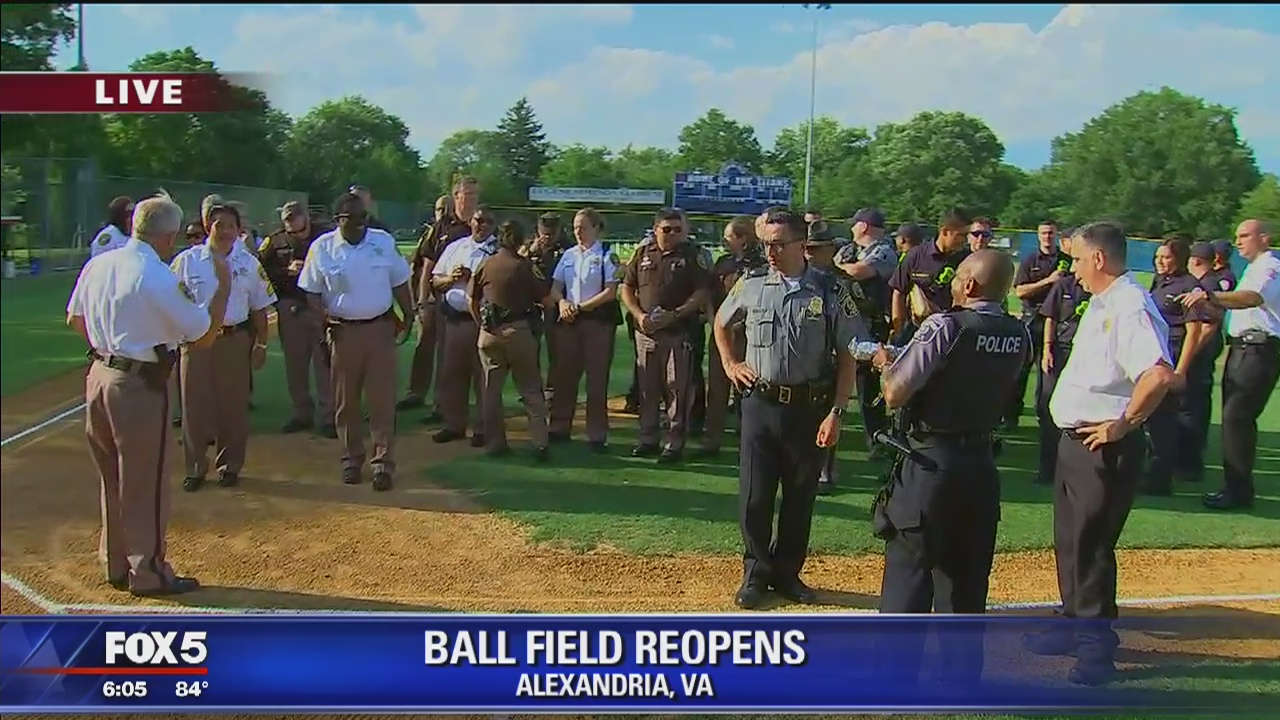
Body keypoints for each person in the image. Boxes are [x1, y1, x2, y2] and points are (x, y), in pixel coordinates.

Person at [1027, 221, 1177, 686]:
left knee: (1091, 547)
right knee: (1070, 540)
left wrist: (1124, 423)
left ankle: (1096, 647)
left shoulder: (1130, 305)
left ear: (1098, 258)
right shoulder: (1103, 301)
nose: (1071, 269)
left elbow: (1158, 374)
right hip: (1075, 443)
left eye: (1076, 259)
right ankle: (1072, 623)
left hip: (1102, 446)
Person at [868, 250, 1029, 682]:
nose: (952, 283)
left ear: (971, 285)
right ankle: (961, 678)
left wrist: (886, 363)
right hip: (980, 464)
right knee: (967, 575)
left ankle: (894, 677)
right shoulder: (1020, 333)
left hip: (931, 462)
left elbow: (895, 393)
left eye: (957, 278)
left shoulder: (944, 326)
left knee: (910, 569)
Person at [67, 193, 230, 596]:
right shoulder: (154, 274)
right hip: (138, 385)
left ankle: (115, 562)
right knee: (145, 480)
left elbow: (74, 318)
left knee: (112, 475)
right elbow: (202, 336)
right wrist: (223, 290)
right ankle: (149, 571)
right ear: (169, 236)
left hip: (99, 375)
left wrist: (109, 348)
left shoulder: (100, 262)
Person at [714, 208, 866, 609]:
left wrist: (838, 412)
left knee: (800, 498)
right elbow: (720, 322)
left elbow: (849, 353)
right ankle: (755, 574)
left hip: (809, 409)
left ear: (802, 245)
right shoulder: (752, 284)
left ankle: (787, 574)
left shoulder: (830, 290)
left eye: (779, 244)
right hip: (760, 404)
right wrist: (731, 363)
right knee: (755, 497)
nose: (771, 252)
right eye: (766, 244)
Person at [297, 192, 413, 490]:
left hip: (380, 329)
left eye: (364, 218)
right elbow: (310, 291)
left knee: (382, 400)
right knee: (345, 401)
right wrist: (322, 319)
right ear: (339, 220)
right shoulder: (322, 248)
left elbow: (400, 281)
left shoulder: (382, 242)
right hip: (343, 332)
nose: (361, 224)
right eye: (354, 219)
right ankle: (351, 459)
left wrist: (410, 315)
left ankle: (383, 463)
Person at [171, 202, 274, 491]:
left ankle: (229, 465)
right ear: (207, 227)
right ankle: (195, 467)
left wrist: (262, 343)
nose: (226, 231)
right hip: (196, 341)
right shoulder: (187, 261)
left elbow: (259, 308)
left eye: (231, 225)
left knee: (233, 406)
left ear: (239, 228)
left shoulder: (249, 264)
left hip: (234, 339)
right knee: (194, 406)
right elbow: (171, 302)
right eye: (220, 225)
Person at [1178, 219, 1279, 511]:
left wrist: (1209, 295)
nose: (1239, 241)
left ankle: (1238, 491)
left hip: (1258, 349)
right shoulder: (1255, 267)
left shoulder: (1270, 267)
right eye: (1237, 236)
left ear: (1264, 237)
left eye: (1245, 235)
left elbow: (1251, 298)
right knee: (1234, 420)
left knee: (1237, 419)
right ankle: (1235, 487)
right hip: (1245, 348)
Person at [621, 207, 714, 463]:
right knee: (647, 389)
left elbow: (702, 292)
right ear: (655, 230)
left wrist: (677, 313)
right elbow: (627, 288)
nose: (673, 234)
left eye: (678, 230)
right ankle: (648, 439)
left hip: (679, 332)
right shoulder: (643, 253)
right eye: (667, 229)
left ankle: (674, 443)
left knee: (677, 389)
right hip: (647, 332)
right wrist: (639, 316)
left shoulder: (692, 256)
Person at [1142, 237, 1218, 494]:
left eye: (1165, 257)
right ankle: (1152, 472)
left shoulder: (1188, 286)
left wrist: (1180, 370)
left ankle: (1160, 479)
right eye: (1157, 257)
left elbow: (1194, 330)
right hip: (1157, 356)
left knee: (1164, 420)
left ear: (1180, 258)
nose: (1160, 262)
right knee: (1151, 416)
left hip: (1173, 357)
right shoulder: (1161, 282)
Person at [470, 220, 551, 460]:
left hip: (489, 333)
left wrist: (482, 326)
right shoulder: (524, 266)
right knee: (530, 390)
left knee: (490, 391)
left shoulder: (486, 263)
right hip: (518, 332)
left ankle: (494, 444)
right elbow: (546, 299)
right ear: (520, 240)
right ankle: (540, 444)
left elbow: (471, 300)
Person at [259, 201, 336, 437]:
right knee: (295, 362)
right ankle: (301, 412)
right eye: (286, 219)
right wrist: (285, 272)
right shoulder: (276, 241)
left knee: (325, 362)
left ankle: (328, 416)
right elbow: (261, 272)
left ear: (305, 217)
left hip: (321, 304)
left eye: (294, 217)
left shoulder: (325, 236)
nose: (290, 223)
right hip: (291, 304)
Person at [547, 208, 622, 451]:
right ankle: (559, 426)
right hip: (569, 322)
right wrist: (562, 303)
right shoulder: (568, 255)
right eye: (576, 227)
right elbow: (556, 287)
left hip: (597, 323)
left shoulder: (606, 255)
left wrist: (580, 307)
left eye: (583, 227)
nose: (578, 232)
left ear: (596, 228)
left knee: (596, 380)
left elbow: (610, 291)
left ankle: (597, 434)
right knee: (564, 376)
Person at [429, 207, 498, 445]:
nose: (483, 225)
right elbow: (435, 279)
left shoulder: (496, 251)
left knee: (483, 377)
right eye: (479, 220)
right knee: (452, 374)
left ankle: (482, 428)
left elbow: (499, 287)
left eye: (488, 221)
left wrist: (472, 281)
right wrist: (450, 279)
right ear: (471, 221)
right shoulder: (455, 247)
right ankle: (453, 424)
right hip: (454, 320)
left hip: (482, 322)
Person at [403, 187, 474, 416]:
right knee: (424, 345)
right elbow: (426, 265)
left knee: (447, 352)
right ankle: (415, 392)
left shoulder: (479, 223)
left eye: (475, 194)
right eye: (468, 194)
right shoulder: (441, 227)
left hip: (460, 299)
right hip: (435, 294)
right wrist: (422, 300)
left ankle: (442, 403)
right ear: (457, 197)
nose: (472, 199)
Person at [835, 208, 897, 461]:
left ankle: (877, 439)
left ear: (864, 226)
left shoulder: (884, 251)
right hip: (843, 321)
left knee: (868, 386)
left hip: (871, 324)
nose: (851, 229)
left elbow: (857, 272)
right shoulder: (848, 250)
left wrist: (838, 267)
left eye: (854, 225)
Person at [701, 216, 765, 457]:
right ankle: (711, 440)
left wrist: (741, 324)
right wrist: (713, 319)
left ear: (743, 238)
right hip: (722, 332)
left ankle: (747, 442)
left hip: (748, 335)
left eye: (729, 236)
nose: (725, 241)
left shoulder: (760, 265)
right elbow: (710, 295)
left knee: (746, 389)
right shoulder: (722, 263)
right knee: (717, 388)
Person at [1035, 231, 1090, 485]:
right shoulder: (1063, 285)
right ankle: (1047, 469)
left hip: (1084, 356)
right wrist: (1047, 349)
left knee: (1079, 412)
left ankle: (1072, 469)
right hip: (1059, 351)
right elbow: (1050, 317)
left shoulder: (1097, 290)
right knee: (1049, 409)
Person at [1012, 220, 1071, 432]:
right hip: (1031, 321)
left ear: (1056, 235)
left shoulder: (1066, 260)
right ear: (1038, 235)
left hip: (1057, 323)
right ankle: (1012, 416)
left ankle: (1045, 417)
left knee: (1049, 372)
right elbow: (1019, 292)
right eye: (1044, 233)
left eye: (1051, 233)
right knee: (1020, 371)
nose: (1047, 237)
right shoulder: (1030, 260)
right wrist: (1047, 281)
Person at [889, 209, 972, 345]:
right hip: (918, 332)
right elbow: (898, 292)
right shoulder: (916, 256)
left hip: (955, 333)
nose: (965, 240)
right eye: (961, 235)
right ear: (945, 232)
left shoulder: (967, 259)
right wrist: (898, 329)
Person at [523, 212, 568, 397]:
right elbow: (515, 265)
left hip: (557, 305)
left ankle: (552, 391)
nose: (547, 237)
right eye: (544, 233)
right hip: (532, 306)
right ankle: (533, 391)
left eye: (552, 233)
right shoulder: (528, 247)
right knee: (530, 352)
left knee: (557, 351)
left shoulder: (568, 248)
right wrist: (531, 251)